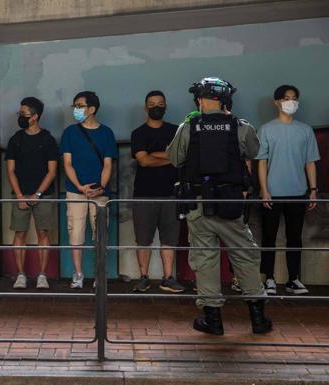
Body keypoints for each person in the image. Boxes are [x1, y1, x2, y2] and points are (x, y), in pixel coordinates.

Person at [167, 77, 272, 336]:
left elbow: (174, 158)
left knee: (205, 260)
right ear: (227, 100)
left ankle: (213, 320)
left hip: (199, 205)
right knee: (245, 256)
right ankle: (258, 319)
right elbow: (253, 151)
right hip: (231, 204)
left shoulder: (189, 126)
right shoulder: (241, 127)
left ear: (200, 100)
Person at [257, 85, 319, 295]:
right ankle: (269, 279)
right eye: (286, 98)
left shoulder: (305, 130)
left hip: (298, 191)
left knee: (295, 238)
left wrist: (313, 189)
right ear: (277, 102)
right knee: (269, 237)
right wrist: (264, 190)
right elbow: (262, 162)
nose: (290, 102)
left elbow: (310, 162)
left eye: (294, 98)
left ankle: (294, 279)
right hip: (272, 192)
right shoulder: (266, 129)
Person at [60, 91, 116, 289]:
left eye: (80, 105)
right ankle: (78, 273)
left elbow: (108, 165)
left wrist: (100, 188)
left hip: (100, 193)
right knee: (75, 234)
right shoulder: (69, 133)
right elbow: (67, 164)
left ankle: (100, 276)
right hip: (76, 191)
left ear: (92, 109)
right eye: (75, 105)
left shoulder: (106, 133)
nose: (76, 109)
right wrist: (79, 186)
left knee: (100, 234)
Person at [130, 90, 184, 293]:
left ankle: (168, 278)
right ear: (146, 107)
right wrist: (169, 156)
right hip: (144, 194)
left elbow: (180, 157)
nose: (156, 107)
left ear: (166, 106)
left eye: (160, 103)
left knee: (169, 239)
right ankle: (143, 278)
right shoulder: (138, 133)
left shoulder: (176, 131)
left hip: (172, 193)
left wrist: (157, 155)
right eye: (152, 104)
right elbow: (143, 160)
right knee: (143, 239)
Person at [5, 97, 58, 290]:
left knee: (43, 233)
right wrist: (19, 195)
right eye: (19, 113)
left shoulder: (48, 140)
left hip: (44, 195)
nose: (20, 117)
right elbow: (10, 171)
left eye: (24, 114)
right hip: (19, 194)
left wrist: (37, 194)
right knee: (20, 233)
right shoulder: (15, 140)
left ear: (35, 117)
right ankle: (21, 275)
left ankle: (42, 275)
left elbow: (52, 171)